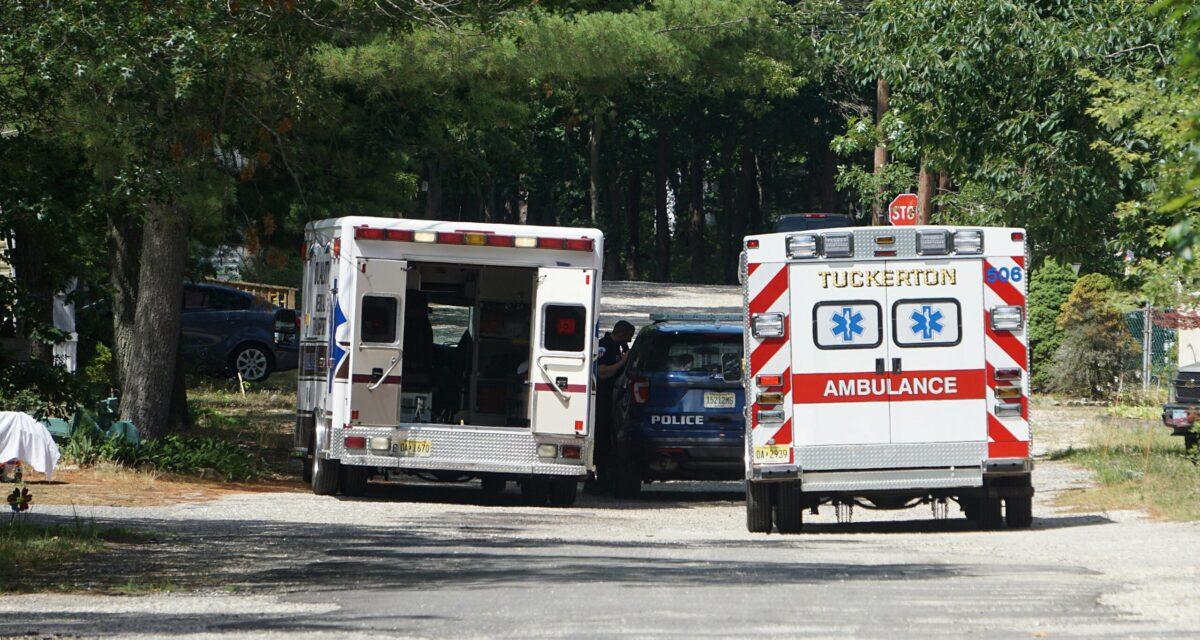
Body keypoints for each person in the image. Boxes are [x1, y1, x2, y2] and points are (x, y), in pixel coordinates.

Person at [592, 320, 635, 492]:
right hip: (602, 400)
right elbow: (602, 373)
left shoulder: (619, 347)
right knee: (601, 440)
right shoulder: (605, 346)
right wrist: (622, 362)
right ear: (622, 333)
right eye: (629, 337)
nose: (629, 341)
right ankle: (597, 480)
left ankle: (606, 477)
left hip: (615, 401)